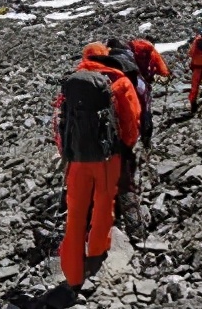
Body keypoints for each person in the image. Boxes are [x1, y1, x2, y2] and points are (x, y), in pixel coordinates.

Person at [55, 43, 140, 290]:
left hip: (77, 160)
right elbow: (131, 119)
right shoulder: (120, 81)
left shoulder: (70, 84)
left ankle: (72, 275)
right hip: (106, 159)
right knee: (104, 205)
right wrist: (125, 145)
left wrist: (67, 152)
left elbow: (60, 122)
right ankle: (96, 252)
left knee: (75, 216)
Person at [128, 38, 171, 147]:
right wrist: (165, 76)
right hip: (144, 84)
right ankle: (146, 139)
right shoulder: (152, 53)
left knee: (132, 109)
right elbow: (163, 70)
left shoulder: (130, 52)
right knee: (145, 110)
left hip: (130, 84)